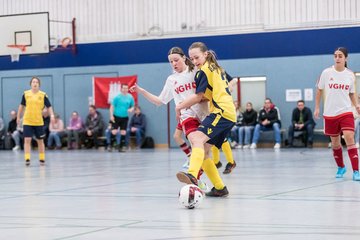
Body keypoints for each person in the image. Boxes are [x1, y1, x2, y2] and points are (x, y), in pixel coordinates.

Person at [131, 46, 209, 190]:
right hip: (187, 116)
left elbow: (206, 93)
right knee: (195, 141)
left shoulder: (196, 72)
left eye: (176, 60)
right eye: (171, 62)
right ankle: (193, 177)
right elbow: (159, 101)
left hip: (205, 114)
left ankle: (198, 179)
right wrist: (141, 91)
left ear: (184, 58)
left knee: (205, 152)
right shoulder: (171, 79)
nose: (173, 64)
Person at [175, 42, 236, 197]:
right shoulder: (217, 68)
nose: (195, 61)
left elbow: (198, 96)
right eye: (192, 59)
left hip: (220, 113)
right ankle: (220, 187)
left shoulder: (203, 71)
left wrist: (179, 106)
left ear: (206, 54)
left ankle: (192, 174)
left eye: (197, 57)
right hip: (227, 112)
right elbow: (209, 94)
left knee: (196, 140)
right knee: (205, 152)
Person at [314, 47, 360, 181]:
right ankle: (341, 167)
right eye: (335, 56)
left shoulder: (350, 75)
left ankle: (356, 171)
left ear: (346, 58)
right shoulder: (326, 73)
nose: (337, 58)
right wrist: (317, 107)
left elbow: (352, 93)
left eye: (340, 56)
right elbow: (319, 91)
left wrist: (356, 105)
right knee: (335, 143)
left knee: (349, 136)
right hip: (330, 113)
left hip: (345, 111)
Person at [17, 77, 55, 166]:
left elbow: (49, 106)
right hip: (27, 120)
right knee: (27, 139)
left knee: (40, 140)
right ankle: (27, 158)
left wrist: (52, 115)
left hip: (38, 121)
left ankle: (42, 158)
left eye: (36, 82)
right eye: (33, 82)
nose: (35, 83)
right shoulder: (26, 94)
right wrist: (18, 117)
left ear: (39, 84)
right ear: (31, 84)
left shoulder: (43, 95)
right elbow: (21, 106)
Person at [109, 84, 134, 152]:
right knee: (114, 131)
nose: (125, 90)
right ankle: (111, 145)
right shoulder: (117, 97)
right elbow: (112, 107)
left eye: (126, 88)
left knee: (123, 132)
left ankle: (122, 146)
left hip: (124, 117)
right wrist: (111, 116)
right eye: (124, 88)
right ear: (121, 89)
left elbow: (132, 106)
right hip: (116, 116)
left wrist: (131, 109)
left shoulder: (130, 97)